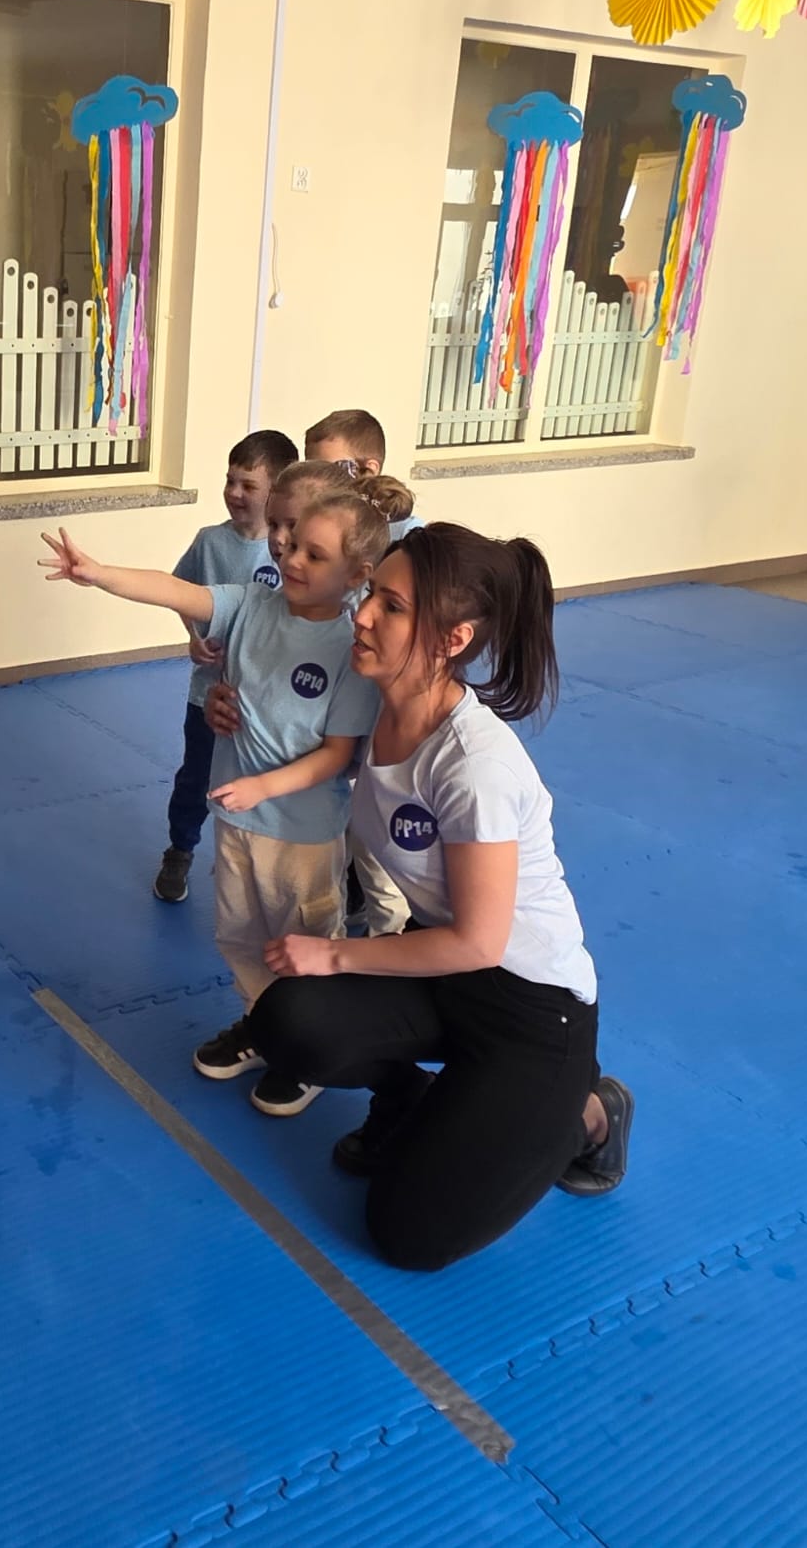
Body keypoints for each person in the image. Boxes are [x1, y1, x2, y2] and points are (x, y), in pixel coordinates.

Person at [247, 523, 632, 1271]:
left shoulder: (475, 765)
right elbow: (288, 702)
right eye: (371, 594)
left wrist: (334, 953)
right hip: (443, 975)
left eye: (391, 607)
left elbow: (481, 942)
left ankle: (588, 1110)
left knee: (408, 1234)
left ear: (452, 639)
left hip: (531, 1009)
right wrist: (228, 701)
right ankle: (416, 1105)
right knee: (290, 1022)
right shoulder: (374, 697)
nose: (363, 614)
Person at [42, 463, 409, 1116]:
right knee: (242, 937)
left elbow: (337, 755)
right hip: (239, 823)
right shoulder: (252, 604)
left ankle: (307, 1053)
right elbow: (176, 590)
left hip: (301, 835)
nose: (291, 558)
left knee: (303, 943)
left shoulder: (350, 646)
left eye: (314, 554)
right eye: (290, 543)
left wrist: (263, 785)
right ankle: (264, 1024)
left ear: (357, 574)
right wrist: (98, 573)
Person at [154, 429, 299, 907]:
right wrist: (194, 637)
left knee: (263, 783)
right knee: (196, 778)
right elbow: (182, 590)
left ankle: (261, 860)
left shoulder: (292, 553)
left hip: (267, 703)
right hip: (208, 694)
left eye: (248, 485)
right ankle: (180, 849)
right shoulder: (210, 541)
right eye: (230, 481)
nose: (235, 493)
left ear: (277, 490)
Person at [304, 407, 419, 937]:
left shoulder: (415, 546)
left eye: (328, 468)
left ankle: (389, 944)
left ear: (366, 468)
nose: (318, 479)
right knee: (343, 824)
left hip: (387, 717)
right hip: (340, 705)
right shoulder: (332, 535)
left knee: (381, 849)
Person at [304, 409, 423, 543]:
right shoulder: (311, 521)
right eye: (310, 469)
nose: (315, 478)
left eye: (328, 469)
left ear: (369, 469)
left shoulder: (406, 532)